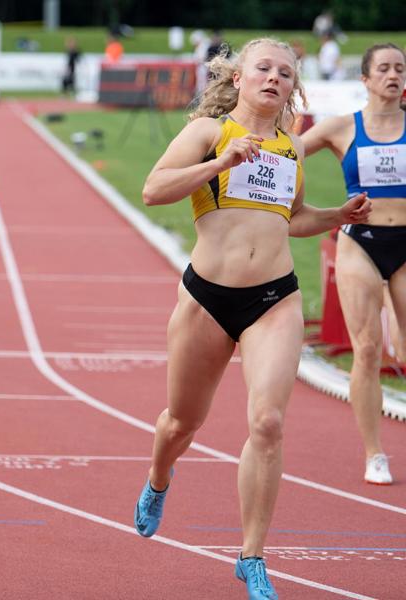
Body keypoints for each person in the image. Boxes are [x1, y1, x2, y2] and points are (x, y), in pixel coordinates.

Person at [134, 38, 370, 599]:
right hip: (207, 299)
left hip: (274, 299)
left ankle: (252, 555)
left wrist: (335, 215)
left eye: (285, 74)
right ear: (238, 78)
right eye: (262, 68)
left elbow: (289, 219)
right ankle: (158, 479)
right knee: (180, 423)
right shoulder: (208, 134)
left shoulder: (290, 149)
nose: (274, 78)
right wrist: (220, 162)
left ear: (292, 89)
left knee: (268, 423)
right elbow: (152, 189)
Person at [301, 43, 406, 485]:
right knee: (365, 349)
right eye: (383, 68)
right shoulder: (343, 127)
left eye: (400, 68)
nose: (393, 75)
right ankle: (374, 454)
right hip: (360, 243)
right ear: (365, 79)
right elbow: (286, 154)